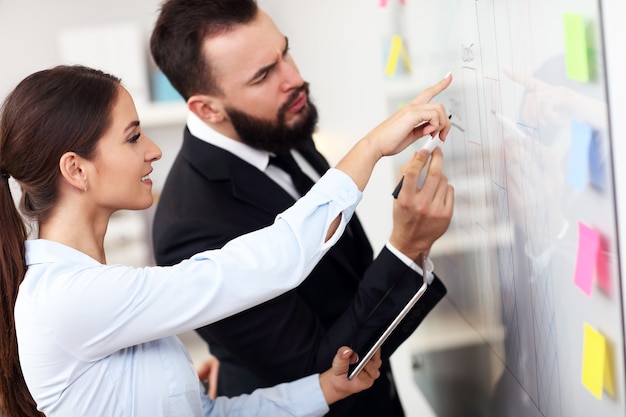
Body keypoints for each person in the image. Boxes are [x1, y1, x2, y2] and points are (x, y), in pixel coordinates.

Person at [0, 64, 452, 416]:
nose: (154, 150)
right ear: (76, 169)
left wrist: (323, 389)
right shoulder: (67, 299)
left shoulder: (92, 293)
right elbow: (263, 264)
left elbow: (208, 414)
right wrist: (372, 146)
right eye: (133, 137)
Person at [149, 0, 454, 415]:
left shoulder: (278, 123)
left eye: (284, 52)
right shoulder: (191, 228)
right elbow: (319, 372)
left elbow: (346, 276)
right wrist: (407, 247)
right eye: (263, 75)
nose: (294, 78)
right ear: (207, 109)